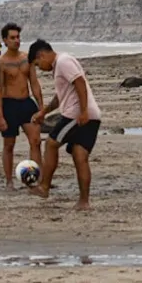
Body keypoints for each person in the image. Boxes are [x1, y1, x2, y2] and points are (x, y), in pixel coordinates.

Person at [28, 39, 102, 210]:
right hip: (91, 115)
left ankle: (44, 187)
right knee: (79, 156)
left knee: (51, 143)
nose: (40, 69)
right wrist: (43, 112)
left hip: (76, 116)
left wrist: (83, 111)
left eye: (38, 64)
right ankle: (84, 202)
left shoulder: (63, 62)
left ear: (42, 55)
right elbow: (60, 97)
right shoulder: (60, 66)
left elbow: (80, 83)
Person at [0, 23, 44, 190]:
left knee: (36, 141)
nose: (17, 40)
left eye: (18, 37)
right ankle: (9, 181)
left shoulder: (26, 59)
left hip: (27, 103)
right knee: (9, 144)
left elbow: (34, 84)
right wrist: (0, 116)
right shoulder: (1, 64)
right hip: (9, 105)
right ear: (5, 40)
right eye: (13, 38)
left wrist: (41, 107)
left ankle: (36, 179)